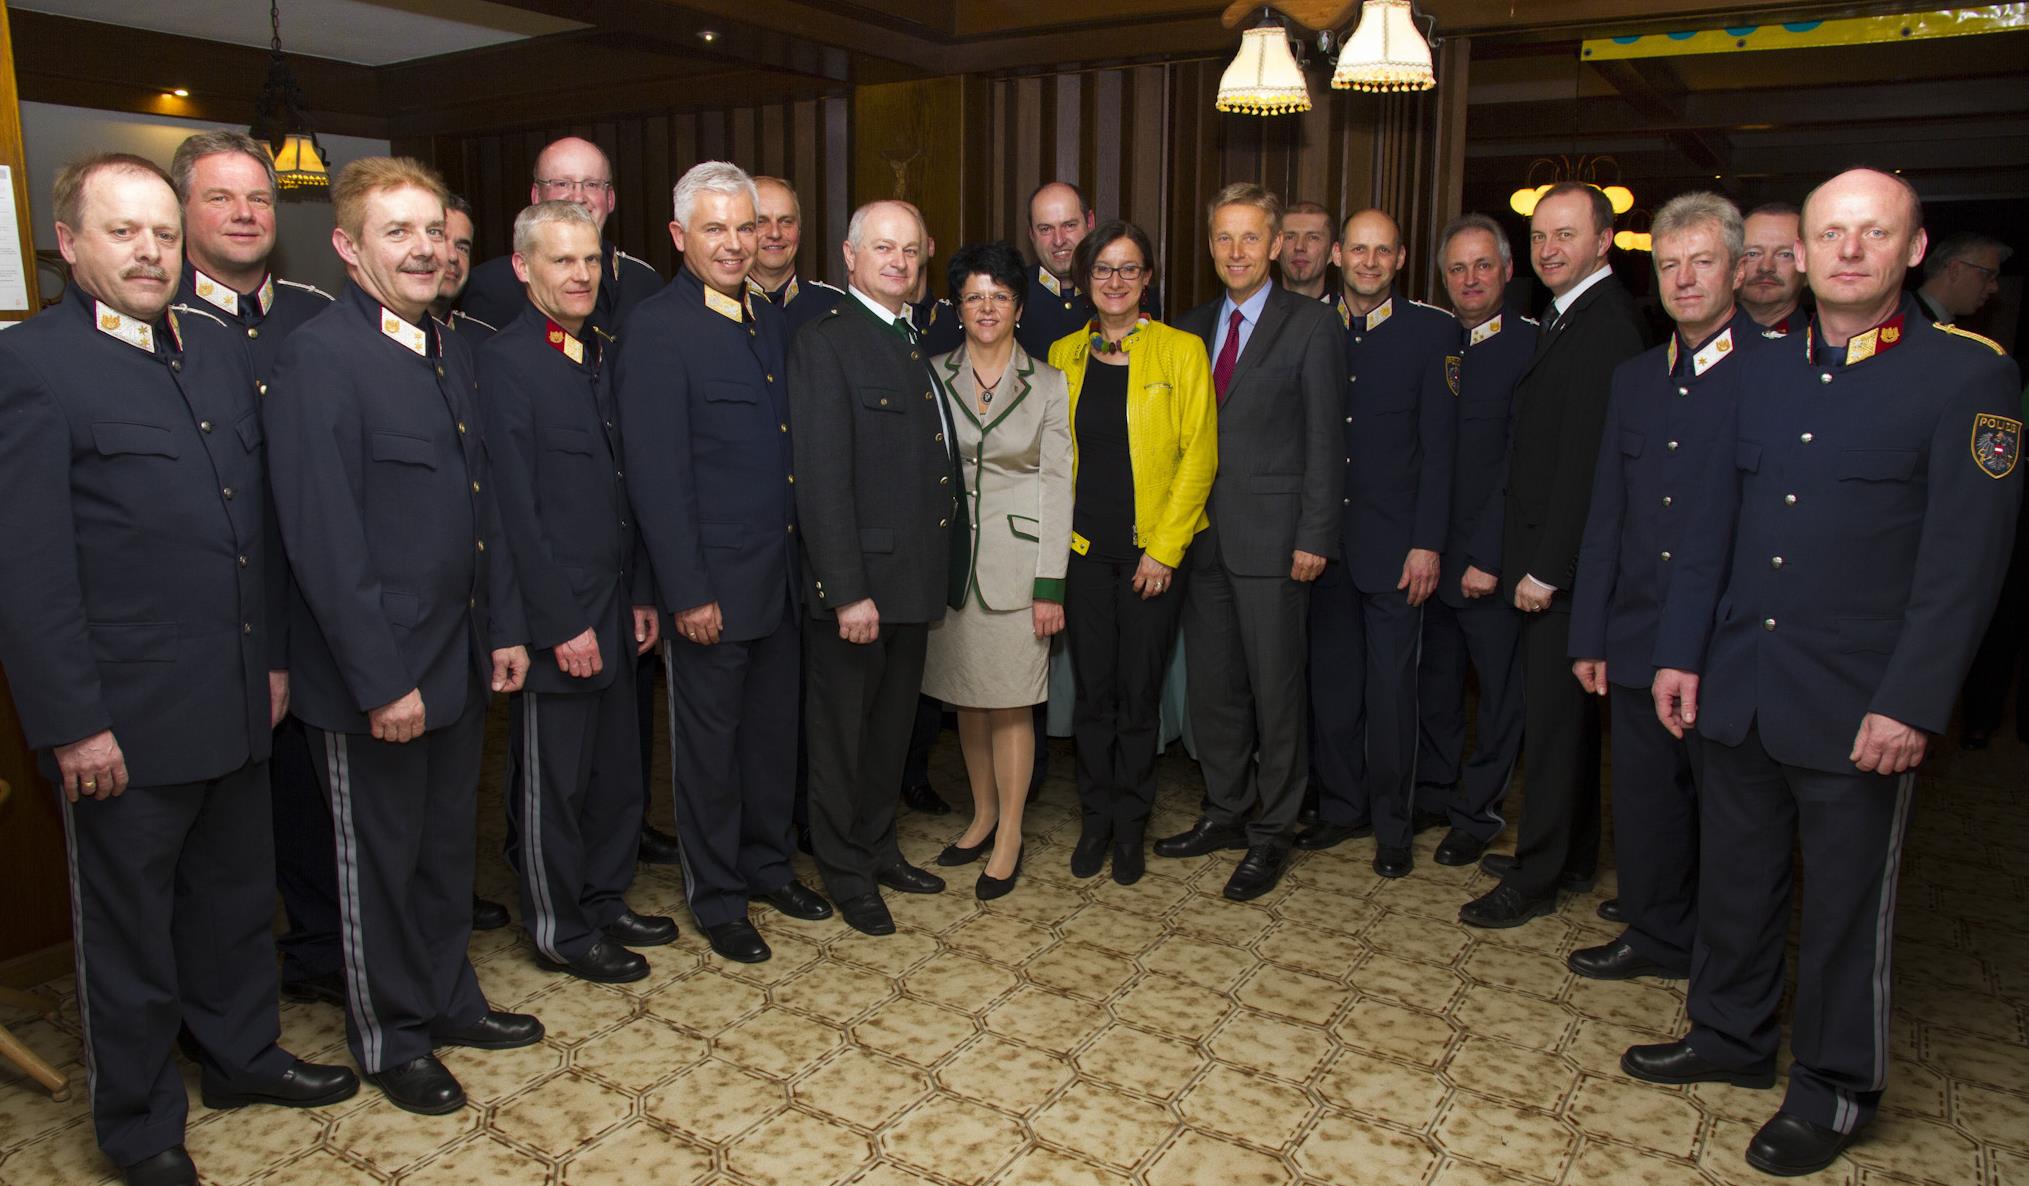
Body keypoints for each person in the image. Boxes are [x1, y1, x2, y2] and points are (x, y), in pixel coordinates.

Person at [1633, 167, 2022, 1178]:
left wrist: (1911, 701)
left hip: (1860, 706)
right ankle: (1727, 1033)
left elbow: (1961, 566)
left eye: (1873, 234)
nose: (1850, 252)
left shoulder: (1964, 377)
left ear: (1913, 249)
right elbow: (1707, 528)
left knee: (1849, 906)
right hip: (1736, 682)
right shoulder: (1754, 368)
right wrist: (1679, 653)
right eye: (1831, 234)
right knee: (1738, 876)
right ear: (1799, 253)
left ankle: (1836, 1086)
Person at [0, 153, 358, 1186]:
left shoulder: (207, 350)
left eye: (161, 232)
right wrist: (73, 722)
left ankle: (242, 1055)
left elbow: (259, 525)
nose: (150, 251)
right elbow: (27, 569)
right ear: (69, 244)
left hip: (241, 694)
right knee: (129, 935)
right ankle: (140, 1121)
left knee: (234, 904)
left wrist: (279, 661)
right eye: (124, 232)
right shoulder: (32, 366)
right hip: (125, 717)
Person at [265, 157, 540, 1116]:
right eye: (398, 232)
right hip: (375, 677)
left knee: (439, 854)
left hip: (459, 657)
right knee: (375, 865)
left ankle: (446, 999)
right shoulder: (319, 357)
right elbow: (322, 538)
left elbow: (482, 503)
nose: (424, 248)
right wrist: (382, 681)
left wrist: (503, 626)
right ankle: (391, 1037)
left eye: (433, 230)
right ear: (347, 247)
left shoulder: (445, 346)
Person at [621, 162, 830, 963]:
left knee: (772, 740)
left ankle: (769, 865)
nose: (737, 243)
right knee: (708, 753)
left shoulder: (765, 319)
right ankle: (717, 896)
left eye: (746, 227)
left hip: (776, 578)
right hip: (709, 588)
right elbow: (656, 473)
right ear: (680, 237)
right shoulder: (657, 327)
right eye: (716, 229)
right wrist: (685, 590)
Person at [165, 129, 356, 1005]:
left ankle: (323, 957)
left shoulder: (317, 315)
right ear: (182, 212)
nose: (245, 215)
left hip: (318, 609)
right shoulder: (162, 328)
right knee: (215, 843)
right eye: (220, 198)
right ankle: (211, 1002)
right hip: (213, 622)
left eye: (259, 200)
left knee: (318, 810)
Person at [476, 200, 677, 984]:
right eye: (562, 261)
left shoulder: (595, 352)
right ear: (524, 268)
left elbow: (622, 491)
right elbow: (513, 510)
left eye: (591, 260)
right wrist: (559, 622)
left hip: (616, 603)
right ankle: (559, 924)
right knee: (553, 782)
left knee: (614, 772)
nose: (581, 275)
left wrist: (637, 595)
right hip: (555, 615)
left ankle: (603, 894)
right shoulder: (507, 363)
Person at [1567, 191, 1763, 983]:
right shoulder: (1638, 378)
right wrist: (1589, 633)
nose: (1684, 280)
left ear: (1737, 269)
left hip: (1727, 642)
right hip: (1638, 634)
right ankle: (1654, 935)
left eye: (1701, 262)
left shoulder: (1778, 370)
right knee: (1645, 806)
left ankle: (1724, 965)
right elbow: (1606, 513)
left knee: (1728, 822)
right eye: (1669, 264)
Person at [1461, 181, 1647, 929]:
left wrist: (1545, 569)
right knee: (1562, 725)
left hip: (1561, 573)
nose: (1548, 249)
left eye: (1564, 235)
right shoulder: (1566, 317)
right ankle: (1567, 857)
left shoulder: (1605, 327)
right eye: (1539, 237)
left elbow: (1587, 466)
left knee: (1555, 727)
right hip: (1547, 559)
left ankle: (1536, 874)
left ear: (1603, 242)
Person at [1160, 183, 1344, 902]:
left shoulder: (1310, 325)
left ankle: (1271, 833)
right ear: (1210, 247)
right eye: (1222, 238)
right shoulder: (1188, 328)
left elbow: (1327, 439)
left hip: (1275, 544)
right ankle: (1226, 810)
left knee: (1275, 693)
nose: (1235, 251)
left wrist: (1315, 535)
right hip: (1200, 541)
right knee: (1215, 692)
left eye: (1249, 238)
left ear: (1274, 246)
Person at [789, 199, 964, 936]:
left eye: (910, 252)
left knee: (890, 734)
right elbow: (822, 478)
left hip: (912, 582)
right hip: (858, 590)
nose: (898, 262)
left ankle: (877, 846)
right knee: (841, 738)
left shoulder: (907, 336)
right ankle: (845, 871)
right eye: (883, 249)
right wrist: (845, 589)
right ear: (849, 257)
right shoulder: (826, 342)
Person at [1050, 221, 1216, 885]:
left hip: (1154, 556)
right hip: (1083, 553)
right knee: (1092, 696)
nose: (1113, 281)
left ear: (1148, 278)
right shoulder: (1062, 354)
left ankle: (1130, 824)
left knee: (1137, 697)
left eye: (1127, 269)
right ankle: (1094, 818)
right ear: (1084, 281)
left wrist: (1165, 551)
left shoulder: (1181, 352)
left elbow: (1198, 457)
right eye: (1101, 270)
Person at [1303, 208, 1457, 878]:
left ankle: (1392, 827)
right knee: (1332, 690)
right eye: (1357, 250)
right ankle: (1341, 809)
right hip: (1322, 546)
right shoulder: (1308, 327)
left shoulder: (1432, 333)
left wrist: (1427, 544)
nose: (1368, 262)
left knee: (1393, 695)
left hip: (1396, 552)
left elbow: (1440, 452)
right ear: (1337, 254)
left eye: (1382, 252)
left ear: (1399, 260)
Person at [920, 241, 1074, 899]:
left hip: (1018, 569)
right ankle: (980, 815)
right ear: (958, 307)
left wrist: (1050, 582)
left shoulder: (1047, 383)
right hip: (950, 566)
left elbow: (1057, 484)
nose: (986, 308)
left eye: (1000, 297)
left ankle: (1009, 830)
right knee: (966, 699)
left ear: (1018, 308)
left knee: (1011, 704)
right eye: (974, 297)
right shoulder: (928, 374)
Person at [1415, 214, 1530, 872]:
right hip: (1429, 553)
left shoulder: (1528, 347)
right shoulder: (1433, 341)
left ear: (1506, 270)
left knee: (1495, 696)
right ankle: (1432, 790)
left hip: (1489, 559)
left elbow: (1517, 466)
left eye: (1481, 265)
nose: (1469, 279)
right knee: (1434, 687)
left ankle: (1477, 811)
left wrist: (1488, 555)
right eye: (1456, 268)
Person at [459, 136, 661, 338]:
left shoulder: (644, 281)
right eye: (562, 184)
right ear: (536, 196)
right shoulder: (489, 286)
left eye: (592, 184)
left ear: (610, 199)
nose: (577, 197)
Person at [1016, 181, 1161, 358]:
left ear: (1090, 222)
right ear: (1031, 234)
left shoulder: (1129, 290)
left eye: (1069, 225)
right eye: (1045, 229)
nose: (1059, 240)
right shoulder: (1014, 292)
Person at [1736, 202, 1807, 334]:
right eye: (1752, 254)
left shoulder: (1822, 345)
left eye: (1785, 255)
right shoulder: (1696, 337)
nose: (1766, 267)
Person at [1914, 230, 2010, 324]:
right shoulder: (1911, 324)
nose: (1994, 288)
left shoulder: (1916, 318)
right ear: (1955, 270)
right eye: (1988, 274)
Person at [432, 194, 493, 336]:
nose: (453, 256)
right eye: (440, 240)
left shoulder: (485, 342)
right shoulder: (374, 340)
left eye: (462, 248)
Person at [1277, 200, 1337, 302]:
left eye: (1313, 238)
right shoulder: (1255, 313)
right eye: (1290, 237)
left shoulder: (1343, 316)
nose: (1299, 247)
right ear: (1275, 248)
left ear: (1333, 252)